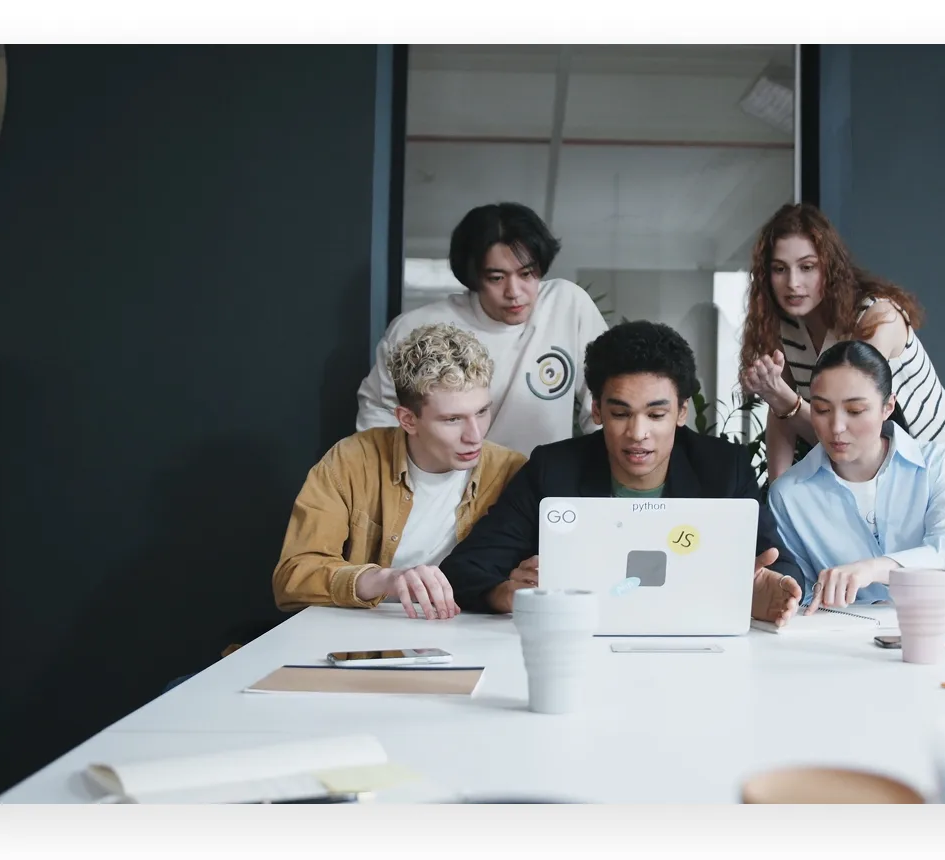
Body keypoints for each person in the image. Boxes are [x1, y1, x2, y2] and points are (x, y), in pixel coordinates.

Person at [440, 320, 805, 625]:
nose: (637, 433)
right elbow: (464, 569)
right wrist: (505, 593)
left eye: (656, 415)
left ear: (681, 412)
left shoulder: (723, 469)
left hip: (692, 640)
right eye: (620, 413)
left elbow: (781, 562)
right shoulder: (554, 470)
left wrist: (772, 586)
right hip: (582, 640)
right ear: (597, 410)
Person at [738, 202, 945, 604]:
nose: (793, 282)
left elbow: (849, 411)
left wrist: (787, 400)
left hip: (931, 456)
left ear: (831, 266)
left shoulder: (878, 318)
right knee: (868, 600)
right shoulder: (785, 328)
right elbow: (807, 419)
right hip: (854, 462)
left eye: (807, 267)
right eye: (779, 268)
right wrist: (782, 495)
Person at [273, 323, 526, 619]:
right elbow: (292, 577)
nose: (475, 435)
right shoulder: (352, 461)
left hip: (474, 634)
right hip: (363, 638)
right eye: (452, 419)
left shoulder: (511, 470)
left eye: (482, 412)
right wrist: (385, 579)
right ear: (407, 420)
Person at [767, 340, 945, 622]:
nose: (837, 427)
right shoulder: (789, 494)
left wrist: (872, 569)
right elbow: (802, 597)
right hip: (859, 647)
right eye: (822, 410)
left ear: (888, 406)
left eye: (854, 411)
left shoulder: (934, 463)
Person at [356, 202, 609, 455]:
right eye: (496, 278)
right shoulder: (418, 329)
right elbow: (379, 412)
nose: (514, 293)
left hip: (541, 483)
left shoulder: (567, 305)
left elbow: (604, 401)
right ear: (473, 277)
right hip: (454, 483)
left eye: (527, 274)